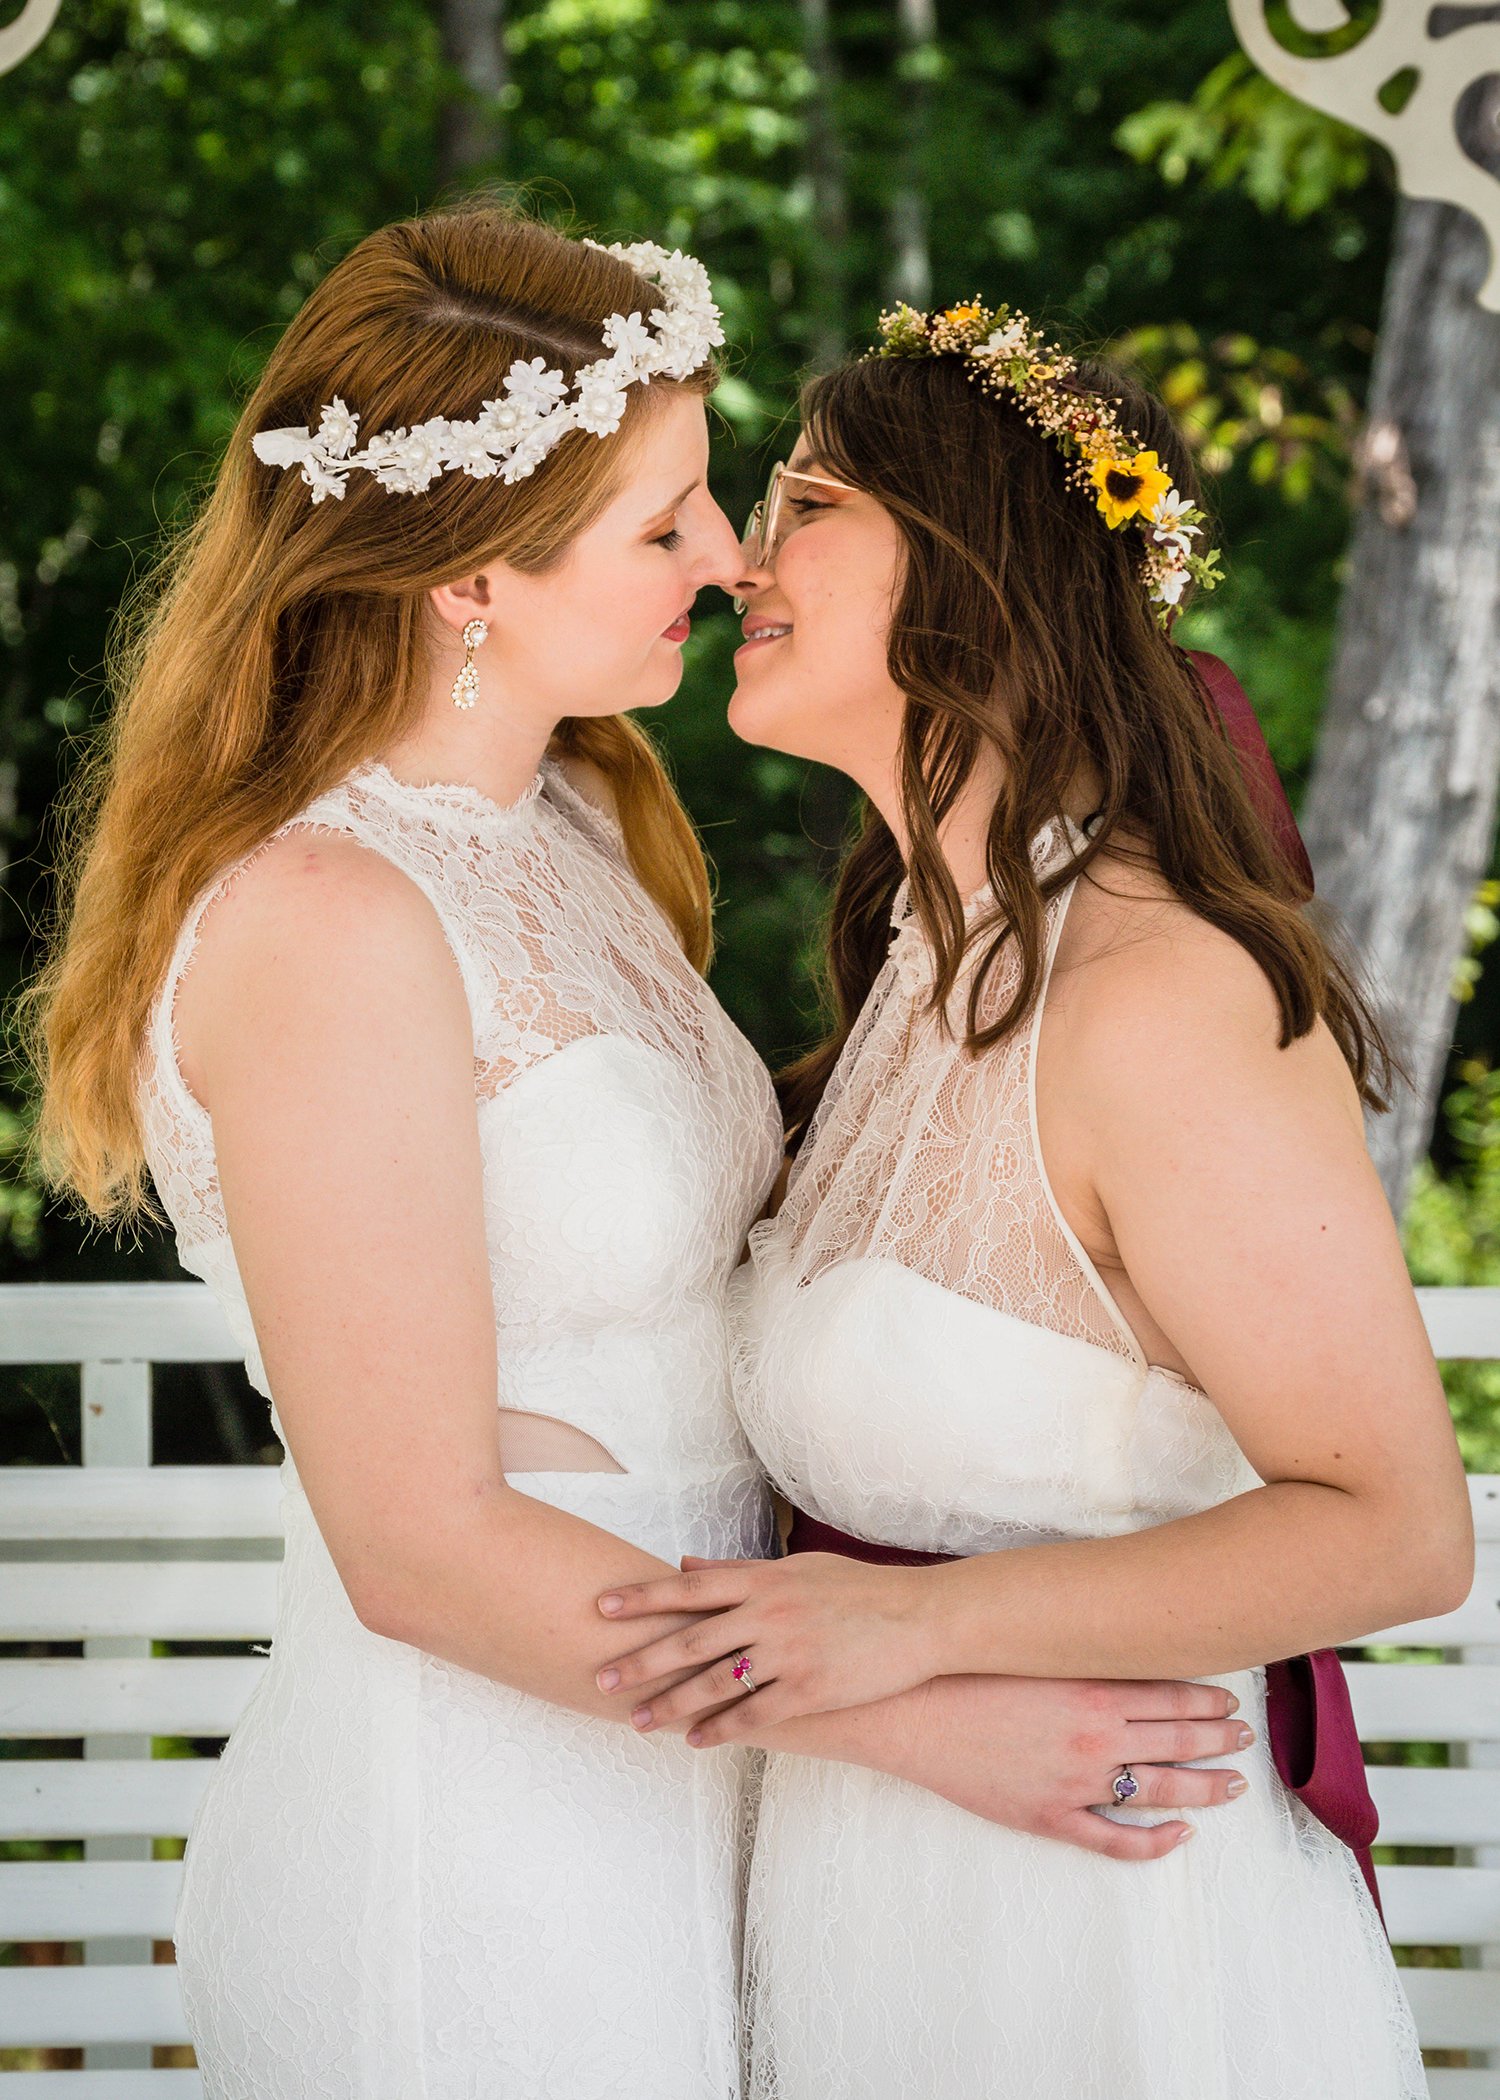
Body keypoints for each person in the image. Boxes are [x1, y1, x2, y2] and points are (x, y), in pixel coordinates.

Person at [17, 215, 1258, 2096]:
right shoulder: (327, 916)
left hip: (710, 1766)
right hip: (480, 1831)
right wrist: (920, 1722)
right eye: (662, 522)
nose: (728, 558)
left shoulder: (583, 824)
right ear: (466, 583)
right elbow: (418, 1545)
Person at [590, 299, 1474, 2098]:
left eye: (812, 502)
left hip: (1107, 1933)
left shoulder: (1157, 995)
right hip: (866, 1895)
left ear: (979, 565)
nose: (745, 559)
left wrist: (908, 1631)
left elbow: (1397, 1528)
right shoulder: (919, 966)